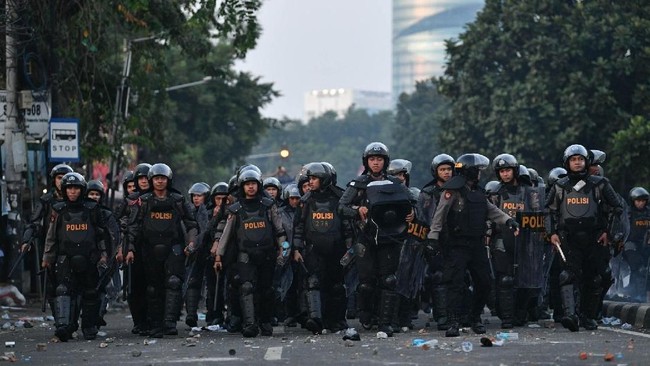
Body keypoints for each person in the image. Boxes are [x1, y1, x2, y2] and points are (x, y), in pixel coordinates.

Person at [428, 153, 520, 337]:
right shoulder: (452, 190)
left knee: (485, 283)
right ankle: (454, 321)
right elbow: (440, 214)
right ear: (470, 171)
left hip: (477, 245)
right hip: (458, 245)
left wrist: (508, 221)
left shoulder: (478, 191)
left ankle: (475, 317)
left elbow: (491, 210)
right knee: (455, 284)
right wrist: (433, 237)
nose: (480, 174)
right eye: (477, 170)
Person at [339, 142, 414, 336]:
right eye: (372, 159)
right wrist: (357, 210)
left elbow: (411, 202)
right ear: (366, 162)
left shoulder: (394, 183)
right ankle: (366, 315)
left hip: (389, 238)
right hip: (365, 238)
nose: (375, 163)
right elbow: (341, 207)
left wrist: (411, 214)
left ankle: (386, 322)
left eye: (379, 159)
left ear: (385, 162)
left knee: (388, 280)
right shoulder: (358, 184)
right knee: (366, 282)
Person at [546, 144, 623, 331]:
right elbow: (549, 211)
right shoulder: (559, 185)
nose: (577, 162)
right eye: (573, 160)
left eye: (580, 159)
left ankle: (588, 317)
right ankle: (570, 315)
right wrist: (552, 233)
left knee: (594, 278)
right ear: (567, 163)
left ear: (586, 161)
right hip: (568, 238)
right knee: (567, 276)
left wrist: (609, 233)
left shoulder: (600, 183)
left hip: (595, 238)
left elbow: (616, 208)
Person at [213, 168, 288, 338]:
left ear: (259, 185)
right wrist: (219, 255)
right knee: (246, 288)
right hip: (245, 255)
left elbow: (279, 230)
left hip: (267, 254)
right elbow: (226, 234)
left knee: (266, 289)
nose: (251, 187)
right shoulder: (235, 209)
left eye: (253, 184)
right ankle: (249, 324)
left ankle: (265, 322)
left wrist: (284, 249)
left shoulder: (269, 205)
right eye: (247, 184)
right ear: (242, 187)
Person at [126, 163, 198, 338]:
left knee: (174, 282)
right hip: (149, 249)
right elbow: (133, 226)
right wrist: (129, 248)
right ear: (151, 180)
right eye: (156, 178)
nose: (159, 181)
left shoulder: (177, 200)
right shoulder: (143, 201)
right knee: (153, 288)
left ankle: (170, 323)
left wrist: (191, 243)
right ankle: (156, 324)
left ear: (168, 180)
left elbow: (191, 224)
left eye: (162, 178)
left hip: (173, 247)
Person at [42, 172, 108, 341]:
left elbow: (101, 235)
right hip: (65, 258)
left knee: (91, 292)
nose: (72, 192)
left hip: (89, 257)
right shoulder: (58, 209)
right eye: (69, 188)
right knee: (63, 290)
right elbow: (51, 237)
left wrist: (103, 255)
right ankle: (64, 326)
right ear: (64, 190)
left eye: (76, 188)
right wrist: (47, 258)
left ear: (82, 190)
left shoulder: (92, 209)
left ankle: (89, 326)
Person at [292, 162, 352, 334]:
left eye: (314, 178)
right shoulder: (306, 201)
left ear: (324, 179)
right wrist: (296, 249)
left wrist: (349, 248)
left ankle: (338, 320)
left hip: (337, 250)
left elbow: (347, 226)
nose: (310, 182)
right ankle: (316, 319)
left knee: (337, 286)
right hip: (313, 251)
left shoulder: (339, 198)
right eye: (309, 178)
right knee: (314, 283)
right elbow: (299, 227)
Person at [20, 164, 73, 316]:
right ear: (53, 180)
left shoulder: (76, 199)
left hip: (73, 247)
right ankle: (60, 319)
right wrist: (27, 240)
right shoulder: (46, 201)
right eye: (59, 178)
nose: (62, 181)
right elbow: (34, 222)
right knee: (51, 287)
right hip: (50, 248)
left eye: (65, 178)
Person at [418, 154, 455, 330]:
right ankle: (441, 316)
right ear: (436, 172)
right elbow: (421, 217)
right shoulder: (427, 193)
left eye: (449, 169)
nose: (446, 173)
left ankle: (458, 315)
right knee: (438, 277)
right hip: (434, 239)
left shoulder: (459, 188)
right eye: (443, 169)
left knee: (459, 277)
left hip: (457, 238)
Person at [86, 180, 121, 329]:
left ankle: (97, 317)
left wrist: (110, 256)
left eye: (96, 194)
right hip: (85, 256)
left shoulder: (106, 214)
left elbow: (114, 236)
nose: (94, 197)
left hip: (104, 257)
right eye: (91, 194)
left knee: (102, 289)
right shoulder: (80, 213)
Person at [184, 182, 211, 327]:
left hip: (209, 253)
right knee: (192, 283)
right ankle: (191, 314)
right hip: (193, 253)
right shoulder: (187, 211)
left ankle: (212, 315)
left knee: (210, 286)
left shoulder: (211, 211)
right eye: (194, 195)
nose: (196, 198)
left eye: (199, 196)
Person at [624, 187, 650, 301]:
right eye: (638, 201)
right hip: (630, 244)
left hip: (645, 244)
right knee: (638, 267)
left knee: (644, 269)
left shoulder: (648, 213)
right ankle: (637, 296)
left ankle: (637, 294)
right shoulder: (628, 213)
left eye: (643, 201)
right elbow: (621, 228)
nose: (641, 203)